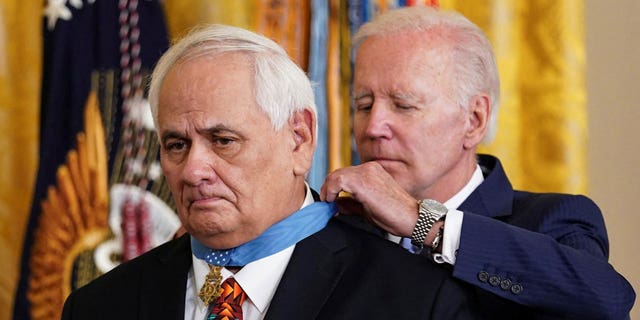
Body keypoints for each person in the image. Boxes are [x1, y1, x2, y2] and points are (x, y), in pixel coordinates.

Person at [61, 24, 484, 320]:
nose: (193, 170)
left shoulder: (415, 299)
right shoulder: (98, 306)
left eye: (223, 140)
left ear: (299, 139)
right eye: (176, 145)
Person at [321, 6, 636, 320]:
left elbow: (608, 299)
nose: (373, 127)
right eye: (363, 105)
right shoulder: (334, 233)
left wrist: (425, 223)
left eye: (403, 105)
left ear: (474, 120)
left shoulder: (552, 221)